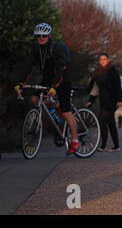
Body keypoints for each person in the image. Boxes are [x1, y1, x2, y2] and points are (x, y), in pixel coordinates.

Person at [14, 23, 80, 154]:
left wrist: (54, 86)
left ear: (49, 35)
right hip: (47, 80)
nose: (41, 38)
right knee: (34, 100)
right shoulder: (36, 50)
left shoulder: (56, 49)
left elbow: (61, 69)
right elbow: (27, 66)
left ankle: (75, 140)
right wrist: (20, 83)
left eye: (44, 35)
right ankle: (56, 105)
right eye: (38, 36)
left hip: (62, 80)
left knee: (66, 112)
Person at [85, 53, 122, 152]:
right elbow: (95, 88)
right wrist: (90, 101)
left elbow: (118, 85)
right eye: (101, 59)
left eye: (105, 59)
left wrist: (119, 100)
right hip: (103, 100)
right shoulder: (97, 72)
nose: (103, 61)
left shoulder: (113, 70)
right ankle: (116, 146)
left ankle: (103, 145)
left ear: (108, 60)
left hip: (112, 100)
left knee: (102, 120)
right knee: (110, 123)